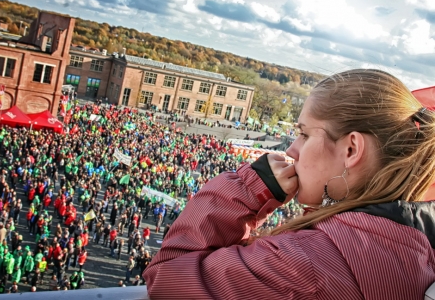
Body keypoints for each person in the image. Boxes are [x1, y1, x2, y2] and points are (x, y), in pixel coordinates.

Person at [144, 69, 435, 299]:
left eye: (305, 135)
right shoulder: (418, 242)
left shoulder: (303, 263)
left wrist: (248, 187)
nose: (293, 149)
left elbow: (167, 278)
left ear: (351, 150)